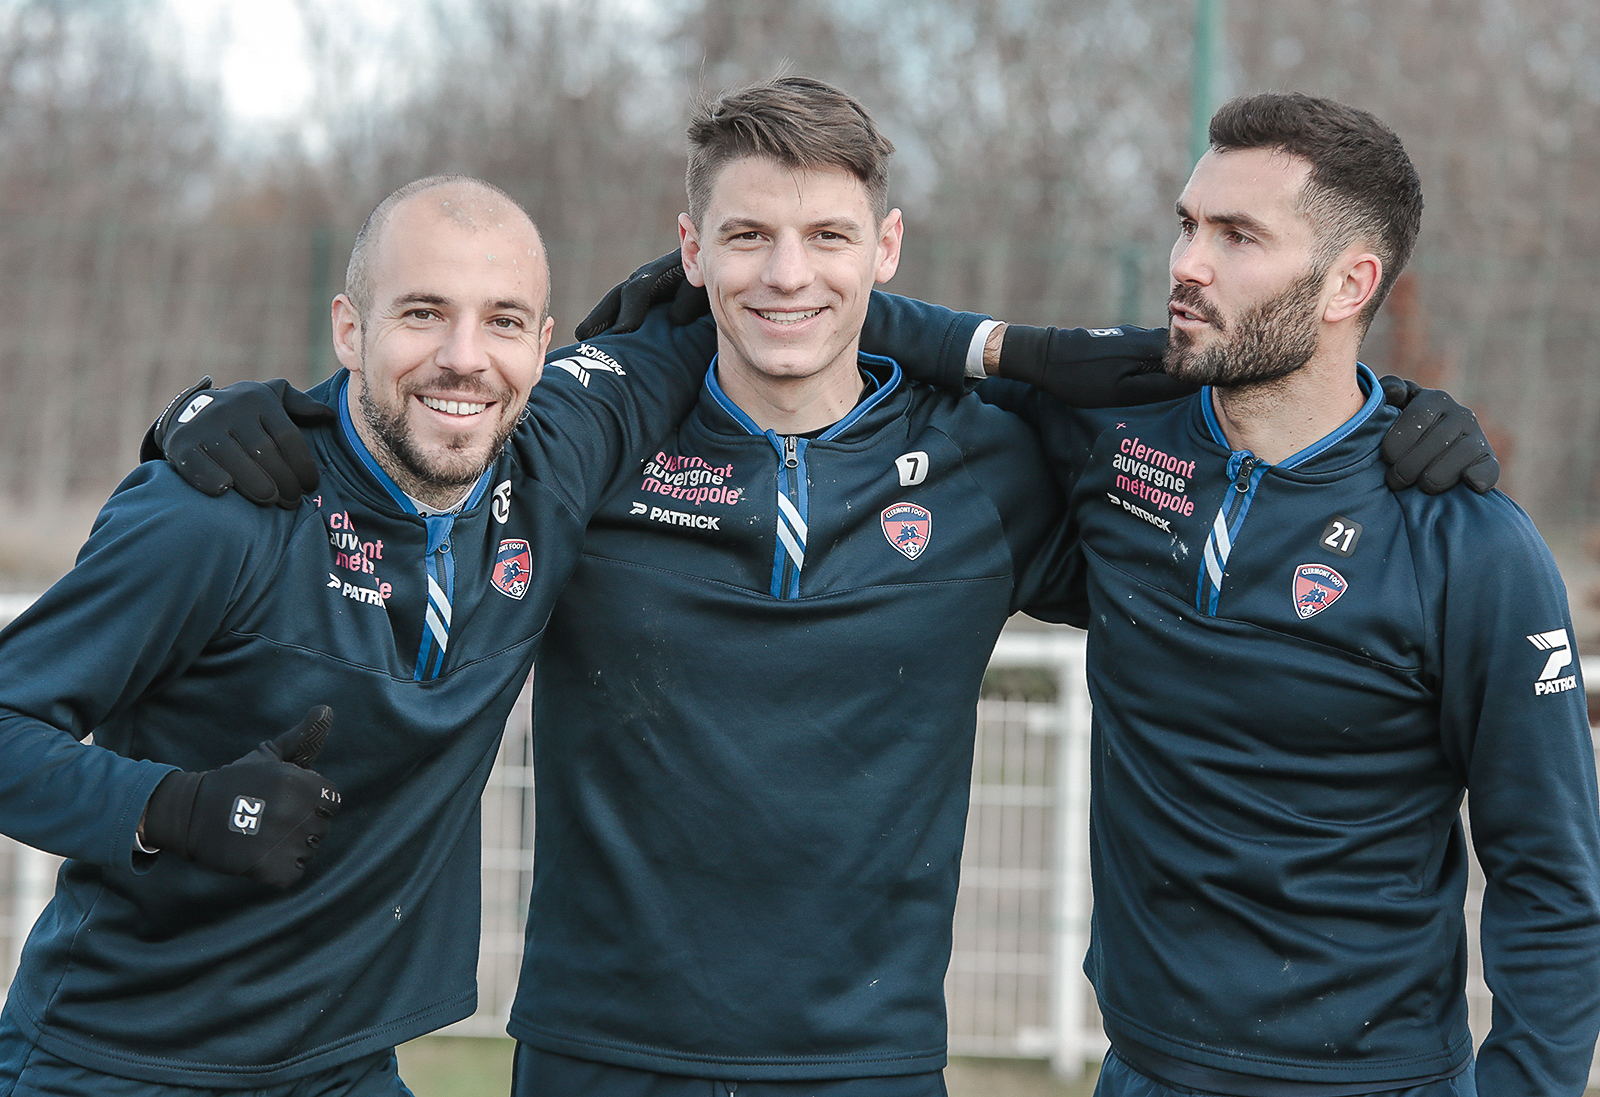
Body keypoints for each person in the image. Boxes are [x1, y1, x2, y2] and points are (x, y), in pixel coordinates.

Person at [171, 80, 1502, 1096]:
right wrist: (223, 421)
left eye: (826, 235)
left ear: (887, 246)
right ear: (690, 246)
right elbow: (426, 438)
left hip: (866, 1063)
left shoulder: (991, 458)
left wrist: (1392, 432)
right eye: (746, 235)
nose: (787, 273)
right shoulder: (608, 425)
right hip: (595, 1051)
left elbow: (1238, 456)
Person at [0, 174, 719, 1096]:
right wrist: (176, 808)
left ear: (545, 348)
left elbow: (794, 294)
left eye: (503, 322)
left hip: (342, 1068)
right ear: (350, 329)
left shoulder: (556, 466)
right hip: (118, 1060)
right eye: (423, 313)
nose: (465, 359)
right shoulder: (220, 515)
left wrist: (969, 344)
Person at [969, 94, 1600, 1095]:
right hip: (1140, 1072)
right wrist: (681, 306)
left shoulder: (1469, 547)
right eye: (1186, 223)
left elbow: (1552, 880)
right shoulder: (1116, 452)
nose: (1186, 262)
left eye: (1237, 236)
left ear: (1350, 282)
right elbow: (867, 365)